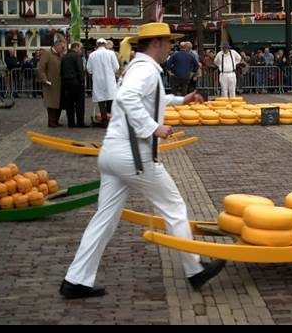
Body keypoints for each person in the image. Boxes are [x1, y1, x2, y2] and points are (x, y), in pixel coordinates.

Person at [60, 23, 225, 299]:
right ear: (157, 43)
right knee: (174, 206)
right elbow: (127, 98)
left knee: (104, 219)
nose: (171, 48)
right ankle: (194, 270)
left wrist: (181, 100)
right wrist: (152, 128)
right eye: (168, 43)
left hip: (112, 154)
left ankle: (75, 280)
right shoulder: (147, 70)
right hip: (133, 155)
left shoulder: (138, 67)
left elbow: (150, 98)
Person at [86, 38, 120, 127]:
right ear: (105, 45)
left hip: (98, 82)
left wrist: (96, 72)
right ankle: (111, 120)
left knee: (101, 103)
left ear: (97, 45)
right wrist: (109, 72)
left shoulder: (92, 55)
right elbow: (116, 67)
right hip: (109, 81)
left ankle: (104, 121)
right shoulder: (111, 53)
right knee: (110, 101)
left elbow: (89, 69)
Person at [38, 37, 66, 127]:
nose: (63, 49)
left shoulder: (60, 55)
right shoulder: (47, 53)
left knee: (59, 103)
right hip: (50, 83)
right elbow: (41, 68)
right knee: (51, 103)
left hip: (59, 83)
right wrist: (45, 79)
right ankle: (51, 122)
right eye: (62, 47)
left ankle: (56, 121)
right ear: (57, 46)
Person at [61, 42, 87, 128]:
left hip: (66, 83)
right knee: (79, 104)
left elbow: (61, 70)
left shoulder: (64, 57)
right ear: (76, 47)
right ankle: (80, 123)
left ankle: (71, 123)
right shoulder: (77, 56)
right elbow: (80, 70)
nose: (81, 50)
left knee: (69, 104)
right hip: (76, 83)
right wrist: (82, 80)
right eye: (80, 48)